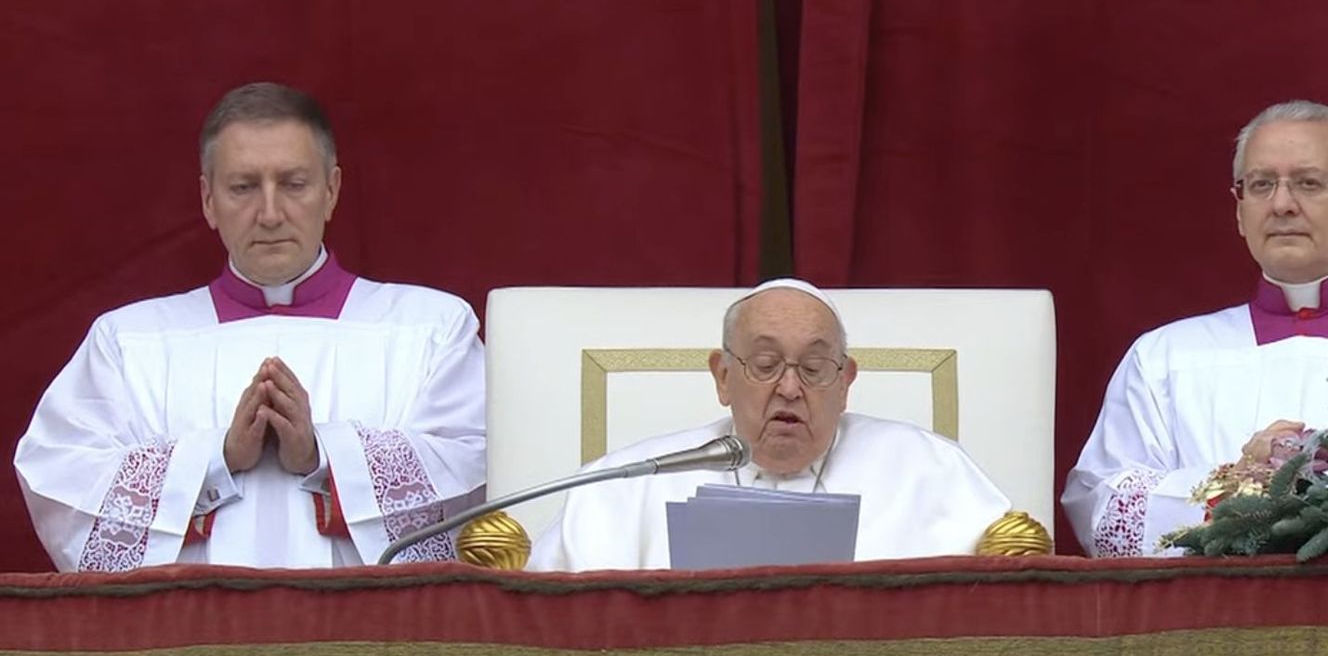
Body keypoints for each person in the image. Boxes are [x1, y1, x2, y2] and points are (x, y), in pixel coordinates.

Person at [15, 82, 485, 571]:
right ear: (208, 200)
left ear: (331, 191)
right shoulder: (128, 342)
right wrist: (216, 457)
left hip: (367, 619)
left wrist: (324, 454)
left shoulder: (432, 329)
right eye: (243, 187)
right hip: (191, 620)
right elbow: (59, 474)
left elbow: (482, 465)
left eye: (294, 183)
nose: (270, 214)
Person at [1062, 100, 1328, 557]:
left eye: (1309, 183)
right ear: (1240, 211)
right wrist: (1232, 485)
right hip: (1213, 604)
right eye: (1261, 185)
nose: (1281, 204)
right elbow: (1100, 508)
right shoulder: (1165, 356)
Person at [531, 278, 1010, 571]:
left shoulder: (930, 471)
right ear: (723, 376)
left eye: (815, 368)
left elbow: (1009, 598)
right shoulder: (625, 484)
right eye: (765, 364)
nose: (790, 387)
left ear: (845, 382)